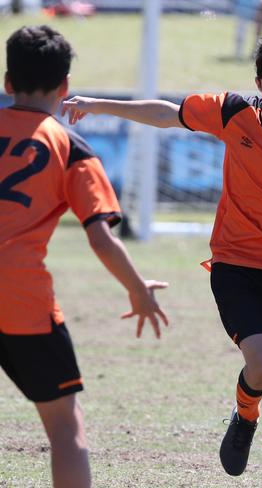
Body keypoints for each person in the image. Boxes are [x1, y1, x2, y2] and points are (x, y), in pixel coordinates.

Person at [62, 29, 262, 488]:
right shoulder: (234, 113)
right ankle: (246, 413)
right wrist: (99, 105)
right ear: (259, 84)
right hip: (238, 266)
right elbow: (169, 113)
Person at [0, 25, 168, 488]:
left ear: (8, 82)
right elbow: (100, 238)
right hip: (20, 299)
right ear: (65, 88)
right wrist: (138, 290)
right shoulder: (71, 148)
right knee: (65, 429)